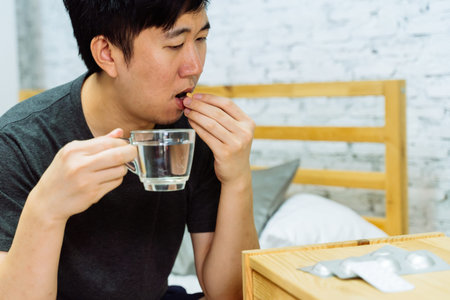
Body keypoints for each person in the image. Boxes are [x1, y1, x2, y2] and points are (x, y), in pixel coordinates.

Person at [0, 0, 259, 299]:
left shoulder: (194, 133)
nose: (195, 66)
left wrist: (238, 177)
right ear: (108, 54)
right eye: (175, 44)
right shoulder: (19, 142)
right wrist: (45, 211)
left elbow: (232, 294)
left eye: (200, 39)